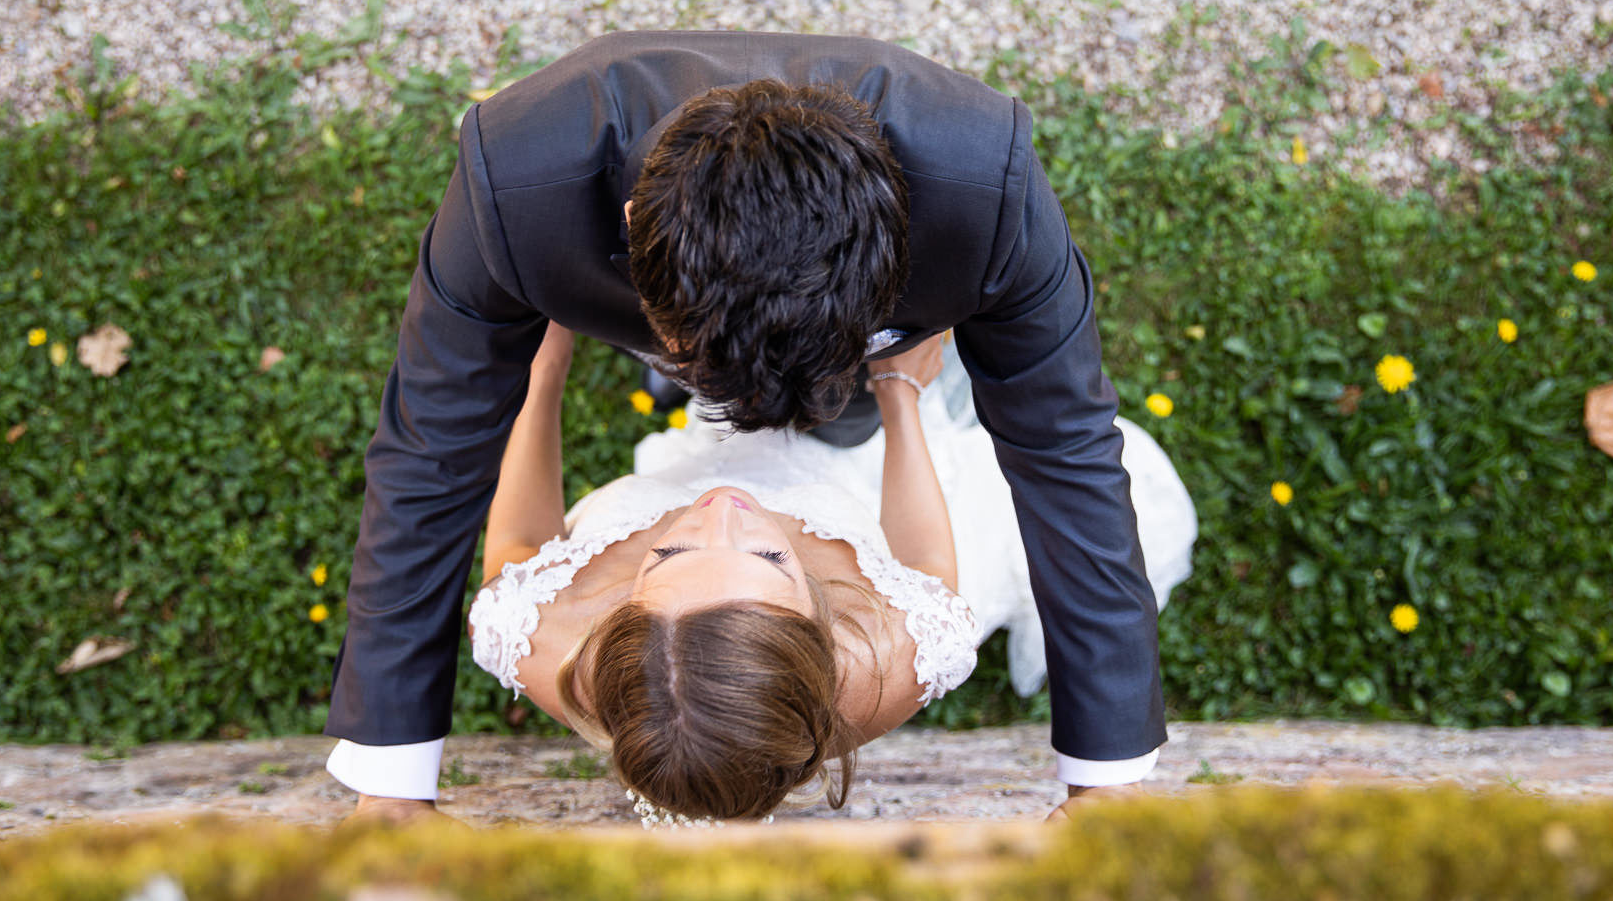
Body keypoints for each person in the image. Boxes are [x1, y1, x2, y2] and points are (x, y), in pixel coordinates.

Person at [327, 33, 1174, 822]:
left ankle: (799, 379)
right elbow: (429, 457)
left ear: (900, 255)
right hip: (682, 322)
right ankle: (682, 370)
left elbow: (1064, 452)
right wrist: (392, 783)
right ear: (630, 232)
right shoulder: (516, 185)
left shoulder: (984, 190)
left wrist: (1107, 783)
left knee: (837, 426)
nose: (725, 505)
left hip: (852, 367)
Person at [464, 322, 1196, 822]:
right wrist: (898, 392)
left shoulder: (547, 640)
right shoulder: (879, 661)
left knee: (711, 326)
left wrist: (545, 365)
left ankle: (694, 373)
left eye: (671, 554)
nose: (723, 509)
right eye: (769, 557)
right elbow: (928, 570)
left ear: (618, 618)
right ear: (822, 620)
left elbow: (522, 539)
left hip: (706, 446)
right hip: (857, 477)